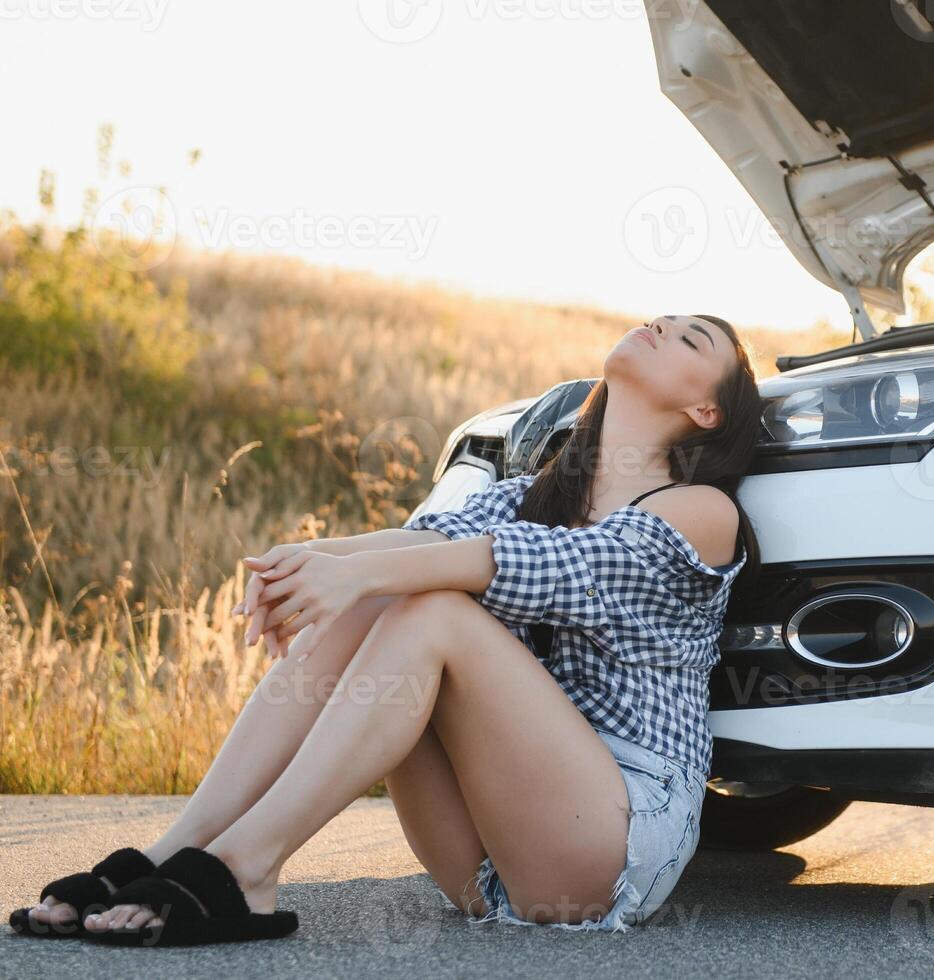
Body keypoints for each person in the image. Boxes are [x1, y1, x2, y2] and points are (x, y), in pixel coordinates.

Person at [10, 314, 763, 944]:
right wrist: (302, 560)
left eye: (692, 339)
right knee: (388, 594)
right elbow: (424, 541)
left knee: (428, 604)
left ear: (707, 412)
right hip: (485, 856)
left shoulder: (699, 513)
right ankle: (179, 848)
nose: (662, 324)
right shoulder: (523, 496)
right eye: (662, 319)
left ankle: (249, 865)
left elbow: (549, 566)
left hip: (614, 845)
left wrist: (357, 572)